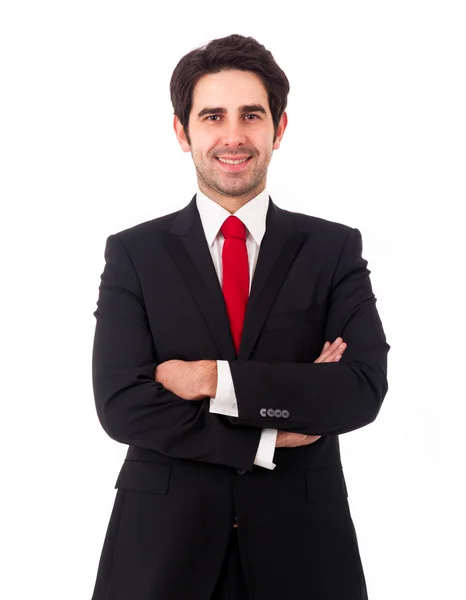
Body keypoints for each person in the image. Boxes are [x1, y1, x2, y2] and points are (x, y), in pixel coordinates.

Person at [90, 33, 390, 600]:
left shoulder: (332, 250)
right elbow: (121, 404)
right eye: (212, 116)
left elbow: (359, 388)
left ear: (278, 128)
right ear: (183, 132)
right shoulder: (134, 253)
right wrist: (267, 439)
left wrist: (208, 379)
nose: (233, 136)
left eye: (251, 115)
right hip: (161, 551)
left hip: (303, 553)